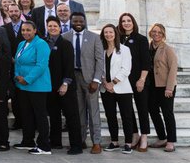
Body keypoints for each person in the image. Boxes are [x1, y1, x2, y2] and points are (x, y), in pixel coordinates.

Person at [63, 12, 104, 154]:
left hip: (90, 79)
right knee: (78, 111)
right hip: (73, 79)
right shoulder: (65, 37)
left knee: (93, 112)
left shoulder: (94, 37)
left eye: (81, 20)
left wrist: (96, 80)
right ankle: (80, 140)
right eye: (75, 21)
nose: (78, 23)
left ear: (85, 21)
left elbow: (100, 60)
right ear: (71, 21)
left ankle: (96, 142)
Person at [13, 20, 52, 155]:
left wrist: (27, 79)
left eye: (28, 30)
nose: (25, 33)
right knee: (26, 114)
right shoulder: (21, 44)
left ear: (35, 30)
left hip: (37, 85)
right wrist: (17, 76)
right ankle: (27, 140)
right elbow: (17, 63)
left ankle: (44, 145)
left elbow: (41, 65)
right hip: (22, 86)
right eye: (23, 30)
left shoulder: (41, 44)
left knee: (40, 115)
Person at [44, 17, 80, 154]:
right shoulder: (43, 43)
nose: (52, 28)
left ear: (60, 28)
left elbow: (69, 66)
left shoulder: (66, 44)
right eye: (50, 26)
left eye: (55, 26)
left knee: (71, 116)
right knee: (54, 115)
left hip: (65, 86)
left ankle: (76, 145)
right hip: (49, 86)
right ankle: (55, 142)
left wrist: (65, 84)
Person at [101, 23, 138, 153]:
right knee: (110, 115)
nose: (108, 34)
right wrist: (105, 82)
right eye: (106, 32)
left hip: (122, 88)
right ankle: (114, 141)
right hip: (106, 89)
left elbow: (126, 68)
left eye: (111, 32)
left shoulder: (124, 49)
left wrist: (113, 82)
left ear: (115, 34)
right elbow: (100, 68)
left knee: (126, 116)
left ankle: (128, 143)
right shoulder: (101, 50)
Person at [118, 13, 152, 152]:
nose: (126, 23)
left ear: (133, 23)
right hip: (123, 80)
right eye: (123, 21)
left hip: (139, 79)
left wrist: (142, 79)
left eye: (129, 21)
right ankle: (134, 134)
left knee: (142, 108)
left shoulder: (141, 39)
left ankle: (144, 136)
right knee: (127, 110)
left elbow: (146, 62)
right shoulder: (117, 38)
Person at [147, 23, 178, 152]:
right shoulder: (147, 47)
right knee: (153, 111)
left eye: (159, 32)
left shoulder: (168, 49)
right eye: (154, 31)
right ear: (150, 33)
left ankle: (170, 141)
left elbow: (173, 69)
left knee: (167, 113)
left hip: (166, 86)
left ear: (163, 34)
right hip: (152, 86)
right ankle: (162, 137)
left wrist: (169, 88)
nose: (156, 34)